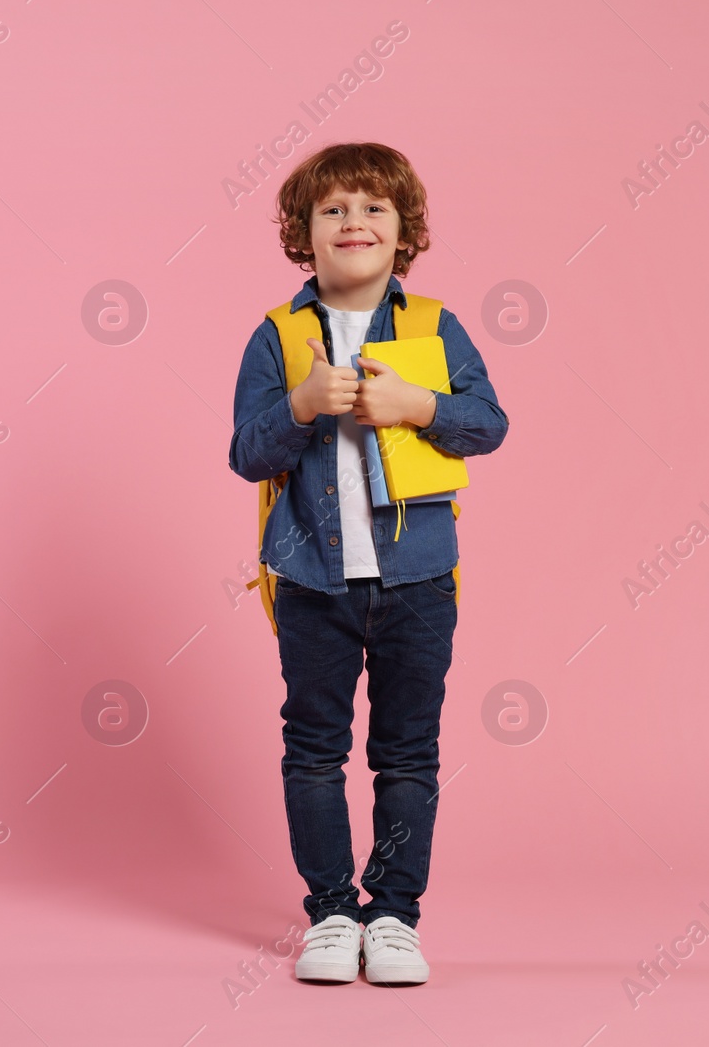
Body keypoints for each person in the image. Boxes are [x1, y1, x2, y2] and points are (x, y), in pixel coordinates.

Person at [227, 141, 510, 985]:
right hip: (311, 580)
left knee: (407, 750)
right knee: (314, 747)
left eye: (374, 208)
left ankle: (392, 914)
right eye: (334, 209)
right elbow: (246, 452)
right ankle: (330, 910)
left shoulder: (433, 325)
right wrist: (304, 407)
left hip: (418, 580)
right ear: (303, 233)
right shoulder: (277, 336)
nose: (355, 221)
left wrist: (419, 405)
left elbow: (488, 424)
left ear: (403, 230)